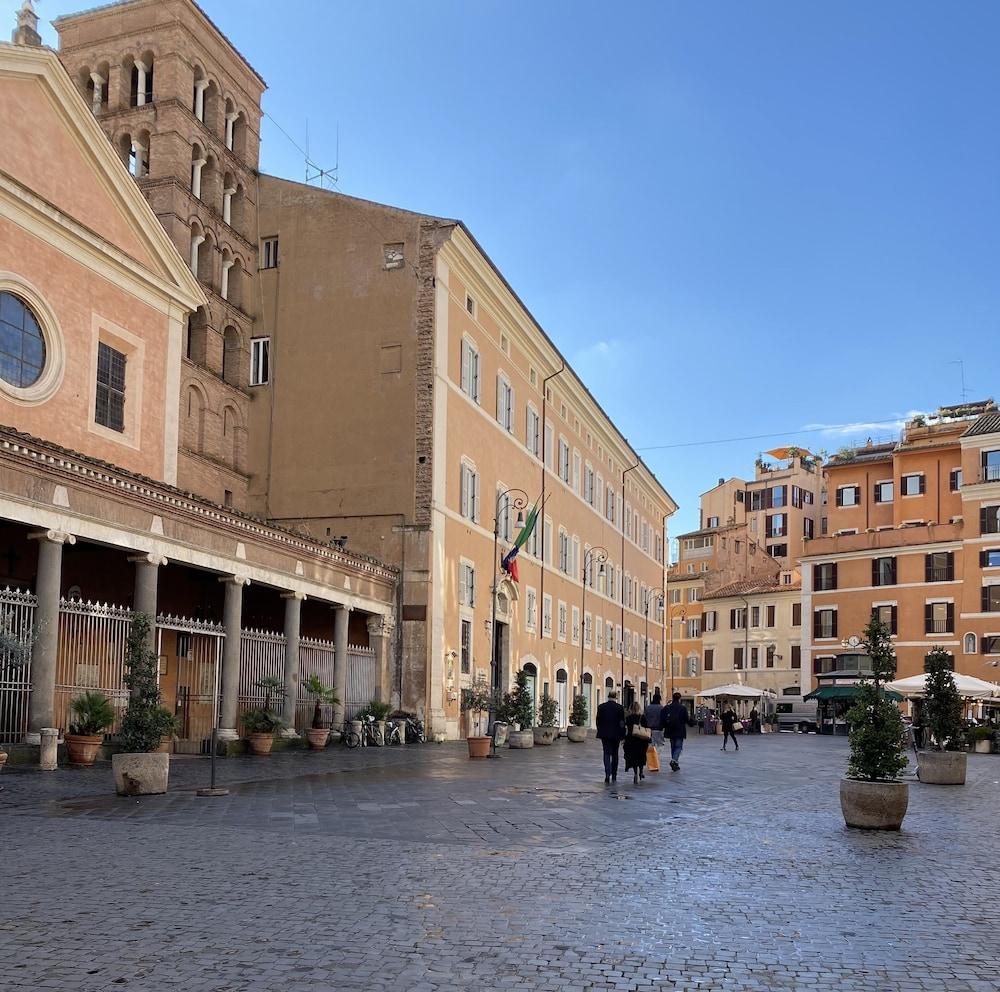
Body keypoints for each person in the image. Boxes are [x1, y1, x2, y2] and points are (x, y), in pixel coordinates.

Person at [595, 690, 626, 784]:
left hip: (604, 734)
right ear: (616, 697)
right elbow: (622, 723)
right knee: (615, 754)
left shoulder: (601, 707)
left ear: (608, 696)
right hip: (616, 734)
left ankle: (607, 774)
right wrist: (623, 734)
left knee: (606, 753)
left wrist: (600, 729)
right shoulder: (620, 708)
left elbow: (598, 720)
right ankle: (614, 774)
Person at [662, 691, 690, 772]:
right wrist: (692, 723)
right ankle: (674, 760)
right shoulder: (682, 708)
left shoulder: (667, 707)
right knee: (678, 747)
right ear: (679, 699)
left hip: (670, 730)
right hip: (680, 730)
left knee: (673, 747)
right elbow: (686, 719)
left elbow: (663, 718)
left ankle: (675, 763)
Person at [623, 701, 650, 784]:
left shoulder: (628, 718)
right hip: (642, 741)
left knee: (633, 757)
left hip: (631, 740)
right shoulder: (643, 717)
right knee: (641, 756)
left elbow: (626, 729)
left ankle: (635, 772)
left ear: (631, 709)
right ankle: (641, 771)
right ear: (639, 708)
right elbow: (647, 728)